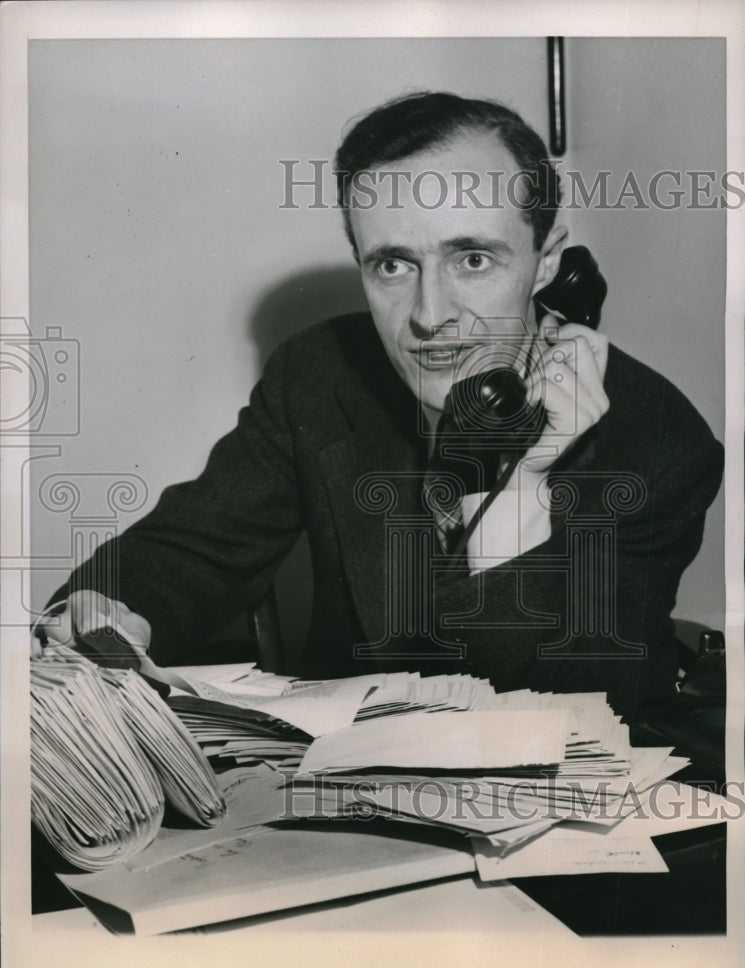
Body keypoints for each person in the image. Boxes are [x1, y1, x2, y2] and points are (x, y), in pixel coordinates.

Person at [35, 91, 724, 722]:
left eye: (473, 260)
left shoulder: (657, 444)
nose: (427, 316)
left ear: (546, 263)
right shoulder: (318, 374)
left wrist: (523, 489)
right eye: (392, 265)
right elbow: (191, 553)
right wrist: (102, 614)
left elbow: (576, 720)